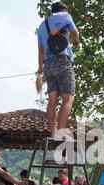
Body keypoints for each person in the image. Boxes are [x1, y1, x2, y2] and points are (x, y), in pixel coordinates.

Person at [37, 2, 80, 138]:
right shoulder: (65, 16)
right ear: (62, 10)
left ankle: (53, 132)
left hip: (48, 65)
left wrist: (40, 68)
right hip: (62, 61)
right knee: (68, 100)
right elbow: (75, 33)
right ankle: (60, 133)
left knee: (52, 101)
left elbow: (41, 50)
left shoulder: (41, 26)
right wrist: (76, 43)